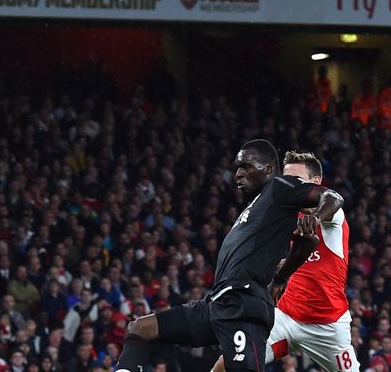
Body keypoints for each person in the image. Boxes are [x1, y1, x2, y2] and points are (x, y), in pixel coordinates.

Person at [114, 139, 344, 372]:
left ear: (268, 169)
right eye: (237, 168)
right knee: (140, 329)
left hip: (244, 306)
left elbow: (333, 197)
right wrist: (279, 279)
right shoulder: (259, 205)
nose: (237, 175)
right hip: (216, 303)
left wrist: (315, 219)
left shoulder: (280, 187)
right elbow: (303, 246)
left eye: (246, 166)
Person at [211, 151, 359, 372]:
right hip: (285, 316)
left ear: (316, 182)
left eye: (297, 180)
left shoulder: (332, 216)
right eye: (287, 180)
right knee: (227, 363)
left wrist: (315, 218)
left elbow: (333, 200)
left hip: (328, 325)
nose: (292, 186)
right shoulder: (285, 214)